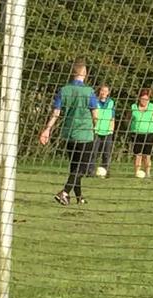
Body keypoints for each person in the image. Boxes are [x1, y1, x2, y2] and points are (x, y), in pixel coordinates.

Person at [39, 59, 98, 205]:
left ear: (73, 73)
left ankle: (79, 197)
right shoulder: (89, 91)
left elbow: (56, 113)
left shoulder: (63, 90)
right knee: (82, 168)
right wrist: (95, 126)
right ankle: (64, 192)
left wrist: (47, 129)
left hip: (69, 133)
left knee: (74, 166)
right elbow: (95, 115)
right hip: (85, 134)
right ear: (85, 73)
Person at [130, 89, 153, 178]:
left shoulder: (152, 107)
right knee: (138, 154)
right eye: (142, 99)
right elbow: (127, 118)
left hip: (149, 134)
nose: (144, 101)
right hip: (136, 133)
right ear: (139, 99)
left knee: (147, 155)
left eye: (146, 99)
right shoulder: (133, 107)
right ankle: (137, 173)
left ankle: (148, 173)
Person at [92, 84, 115, 177]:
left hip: (107, 132)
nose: (104, 93)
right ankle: (91, 171)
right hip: (96, 131)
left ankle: (106, 172)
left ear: (108, 92)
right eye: (102, 90)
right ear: (99, 91)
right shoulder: (95, 102)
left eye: (106, 91)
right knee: (93, 153)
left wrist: (112, 128)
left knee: (106, 153)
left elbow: (112, 117)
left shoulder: (111, 102)